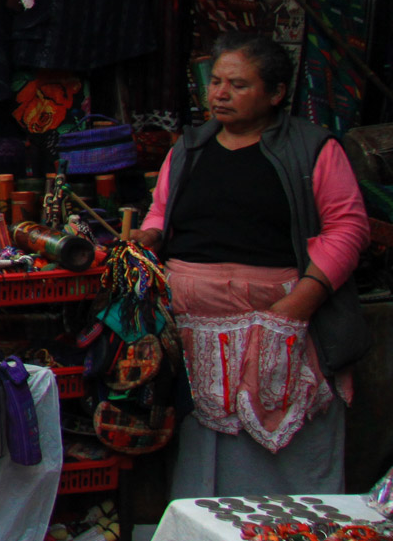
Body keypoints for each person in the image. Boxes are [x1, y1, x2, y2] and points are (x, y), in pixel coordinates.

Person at [135, 32, 370, 499]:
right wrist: (147, 237)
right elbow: (161, 211)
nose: (219, 95)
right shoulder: (189, 148)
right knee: (201, 455)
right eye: (216, 82)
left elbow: (347, 228)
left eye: (238, 85)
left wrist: (300, 303)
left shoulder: (314, 149)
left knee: (282, 456)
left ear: (276, 93)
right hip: (192, 329)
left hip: (279, 319)